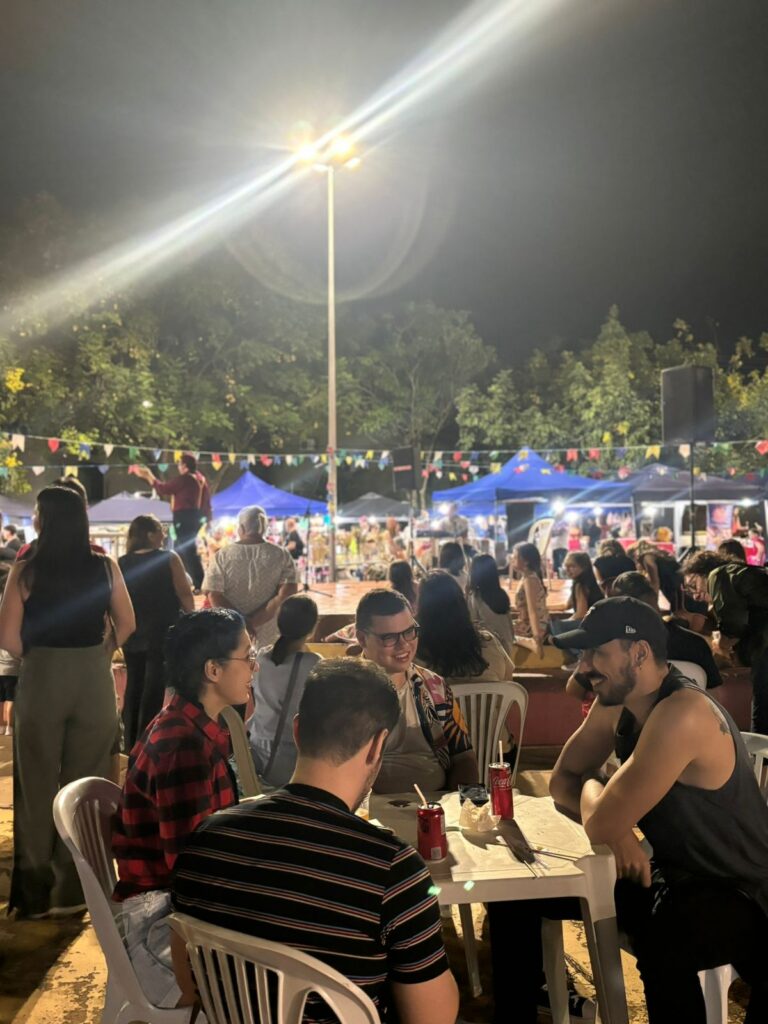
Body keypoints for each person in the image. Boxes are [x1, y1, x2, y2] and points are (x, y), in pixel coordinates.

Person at [171, 658, 459, 1024]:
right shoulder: (392, 870)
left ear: (297, 730)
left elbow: (188, 981)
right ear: (377, 746)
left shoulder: (205, 839)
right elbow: (432, 1018)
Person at [540, 597, 768, 1023]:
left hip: (744, 893)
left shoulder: (682, 712)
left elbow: (599, 820)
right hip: (677, 873)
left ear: (639, 653)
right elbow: (561, 781)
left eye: (596, 652)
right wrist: (617, 827)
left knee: (664, 936)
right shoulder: (615, 703)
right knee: (535, 894)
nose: (584, 667)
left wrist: (605, 805)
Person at [0, 486, 135, 919]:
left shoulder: (26, 571)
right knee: (84, 784)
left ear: (43, 519)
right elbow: (127, 623)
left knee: (36, 782)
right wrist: (101, 651)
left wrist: (40, 657)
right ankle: (75, 891)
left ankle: (36, 894)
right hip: (93, 679)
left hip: (42, 677)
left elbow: (7, 637)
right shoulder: (105, 566)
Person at [112, 608, 252, 1008]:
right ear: (213, 670)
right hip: (164, 928)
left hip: (175, 910)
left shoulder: (190, 725)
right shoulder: (184, 747)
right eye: (247, 657)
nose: (253, 668)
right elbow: (192, 874)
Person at [354, 588, 478, 794]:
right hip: (368, 806)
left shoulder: (435, 687)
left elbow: (464, 757)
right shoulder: (343, 693)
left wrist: (470, 805)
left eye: (409, 631)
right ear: (362, 639)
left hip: (435, 802)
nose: (404, 645)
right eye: (389, 637)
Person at [566, 571, 722, 702]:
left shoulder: (608, 647)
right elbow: (714, 697)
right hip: (687, 723)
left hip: (626, 726)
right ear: (654, 600)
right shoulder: (696, 644)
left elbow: (574, 689)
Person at [118, 514, 195, 752]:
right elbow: (184, 594)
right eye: (160, 530)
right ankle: (146, 742)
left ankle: (128, 741)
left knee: (133, 685)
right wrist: (192, 618)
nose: (164, 534)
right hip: (162, 631)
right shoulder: (168, 558)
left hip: (132, 633)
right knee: (153, 689)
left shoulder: (122, 562)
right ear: (150, 534)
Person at [683, 550, 768, 733]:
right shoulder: (744, 576)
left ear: (704, 572)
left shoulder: (718, 574)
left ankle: (762, 750)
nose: (695, 595)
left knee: (763, 713)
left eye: (693, 585)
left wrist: (720, 645)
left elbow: (733, 626)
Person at [248, 594, 321, 787]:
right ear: (313, 628)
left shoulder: (261, 658)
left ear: (279, 623)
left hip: (256, 752)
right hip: (289, 759)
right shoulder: (314, 664)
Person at [202, 503, 298, 648]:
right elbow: (287, 594)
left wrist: (243, 624)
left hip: (233, 637)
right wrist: (255, 621)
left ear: (241, 528)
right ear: (264, 527)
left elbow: (214, 595)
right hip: (271, 640)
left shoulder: (222, 556)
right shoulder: (281, 555)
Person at [417, 570, 514, 683]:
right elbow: (508, 680)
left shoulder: (415, 658)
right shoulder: (489, 644)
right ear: (462, 604)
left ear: (423, 611)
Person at [133, 454, 211, 590]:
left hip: (184, 516)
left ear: (184, 466)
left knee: (185, 549)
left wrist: (149, 476)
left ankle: (196, 582)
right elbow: (207, 501)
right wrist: (208, 518)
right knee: (185, 549)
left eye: (180, 464)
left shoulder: (185, 479)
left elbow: (164, 489)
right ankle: (191, 581)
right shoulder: (200, 479)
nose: (178, 467)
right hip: (195, 516)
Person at [467, 553, 516, 657]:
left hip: (491, 651)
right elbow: (510, 629)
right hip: (508, 649)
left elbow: (472, 624)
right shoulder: (502, 594)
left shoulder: (476, 596)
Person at [511, 542, 551, 658]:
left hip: (532, 627)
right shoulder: (526, 577)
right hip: (525, 623)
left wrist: (537, 637)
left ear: (526, 561)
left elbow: (533, 611)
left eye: (515, 557)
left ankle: (530, 642)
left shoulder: (530, 580)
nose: (512, 559)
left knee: (498, 633)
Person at [562, 551, 603, 620]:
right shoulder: (587, 581)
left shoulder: (581, 585)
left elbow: (581, 614)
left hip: (592, 623)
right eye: (566, 566)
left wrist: (564, 622)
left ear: (584, 567)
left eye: (572, 566)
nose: (567, 570)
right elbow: (567, 605)